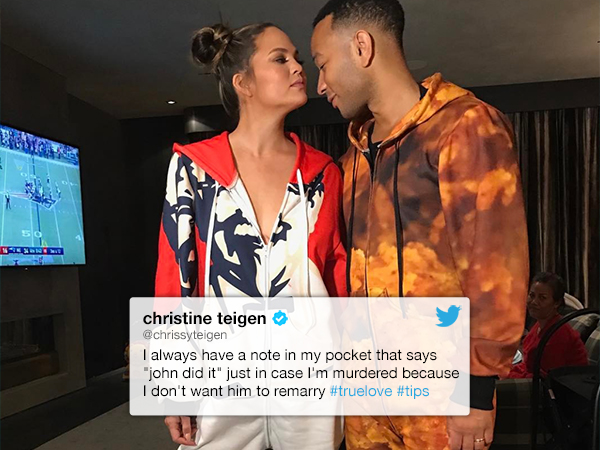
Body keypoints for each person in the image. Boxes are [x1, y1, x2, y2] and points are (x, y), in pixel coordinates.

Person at [310, 1, 529, 449]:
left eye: (322, 64)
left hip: (441, 396)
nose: (320, 85)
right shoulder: (352, 158)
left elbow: (494, 268)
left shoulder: (463, 126)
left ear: (361, 46)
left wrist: (476, 392)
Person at [156, 22, 346, 450]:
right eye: (280, 59)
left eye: (297, 58)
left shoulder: (322, 173)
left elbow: (336, 274)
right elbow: (175, 276)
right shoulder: (194, 168)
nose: (298, 67)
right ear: (243, 83)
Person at [508, 272, 588, 378]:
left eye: (542, 298)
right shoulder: (540, 324)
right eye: (532, 295)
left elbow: (544, 379)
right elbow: (527, 366)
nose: (534, 302)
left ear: (556, 303)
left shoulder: (559, 334)